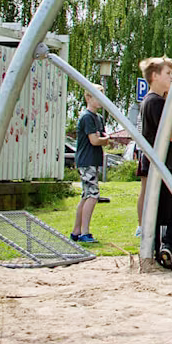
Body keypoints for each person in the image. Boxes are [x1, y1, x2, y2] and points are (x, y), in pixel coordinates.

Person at [135, 56, 172, 270]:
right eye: (168, 74)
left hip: (162, 162)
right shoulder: (155, 102)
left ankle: (158, 250)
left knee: (161, 209)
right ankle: (167, 246)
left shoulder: (154, 101)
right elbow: (167, 135)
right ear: (154, 77)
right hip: (163, 163)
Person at [70, 90, 121, 244]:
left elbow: (102, 138)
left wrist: (104, 139)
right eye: (97, 97)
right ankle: (85, 232)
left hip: (93, 160)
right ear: (88, 97)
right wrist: (104, 140)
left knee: (86, 195)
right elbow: (94, 140)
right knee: (93, 195)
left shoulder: (98, 118)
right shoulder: (87, 117)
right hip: (86, 160)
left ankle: (76, 231)